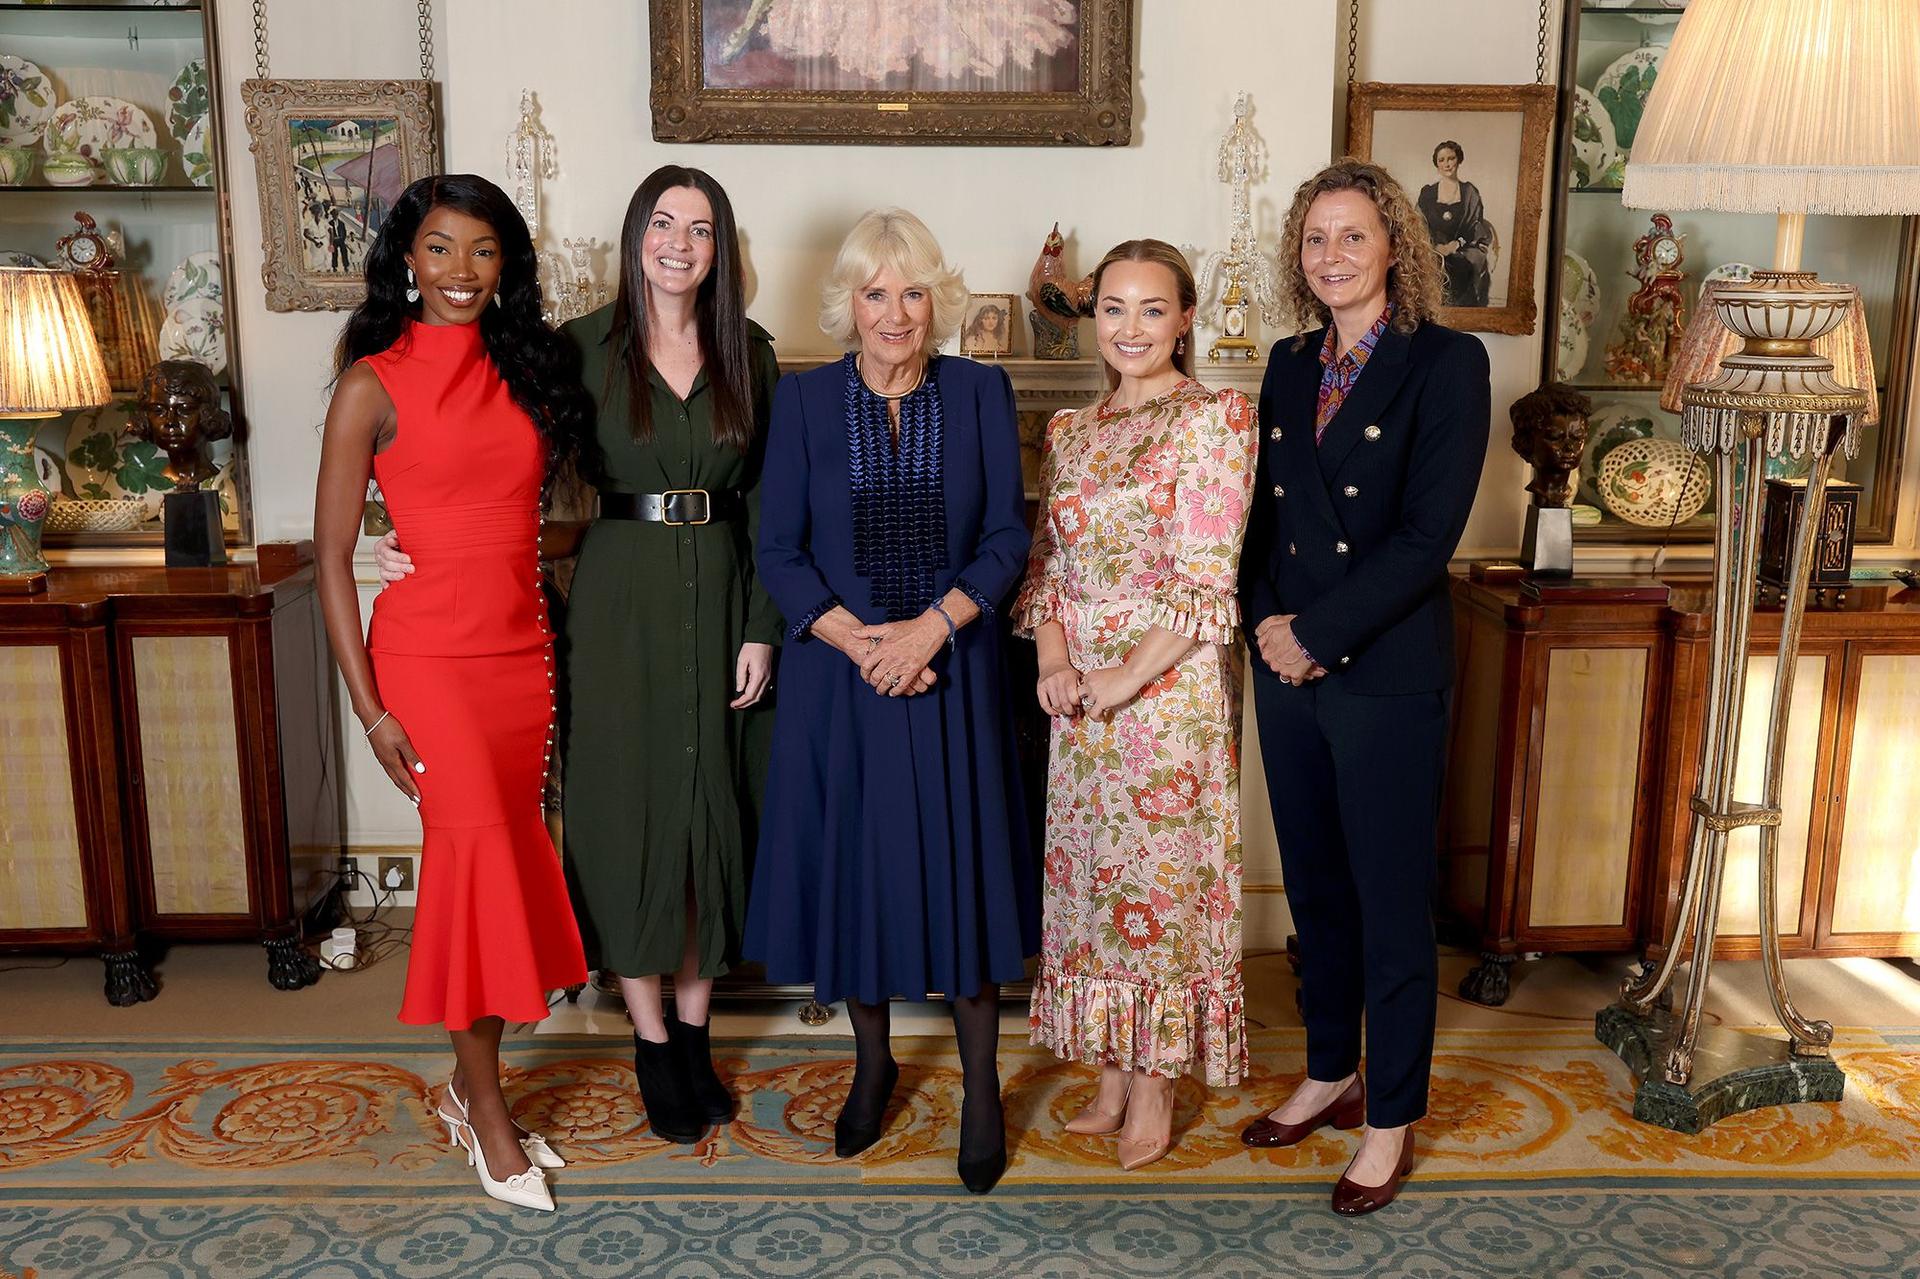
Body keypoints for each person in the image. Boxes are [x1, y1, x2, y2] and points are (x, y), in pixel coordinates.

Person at [372, 166, 779, 1145]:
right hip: (619, 600)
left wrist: (763, 622)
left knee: (712, 816)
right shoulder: (575, 350)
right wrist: (409, 531)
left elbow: (772, 498)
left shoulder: (751, 352)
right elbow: (490, 460)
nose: (681, 243)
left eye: (703, 228)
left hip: (726, 593)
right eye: (664, 223)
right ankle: (651, 1045)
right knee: (624, 812)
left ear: (723, 249)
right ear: (636, 232)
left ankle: (694, 1033)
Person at [315, 174, 595, 1212]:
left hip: (520, 658)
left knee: (505, 866)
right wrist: (368, 706)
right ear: (406, 258)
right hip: (425, 667)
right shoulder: (370, 383)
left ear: (507, 266)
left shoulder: (532, 370)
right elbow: (335, 558)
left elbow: (518, 517)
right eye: (439, 249)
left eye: (483, 251)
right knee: (474, 876)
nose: (461, 272)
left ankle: (466, 1089)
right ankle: (486, 1112)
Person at [745, 208, 1037, 1195]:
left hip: (952, 672)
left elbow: (1006, 538)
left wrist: (929, 631)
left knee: (963, 868)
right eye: (876, 293)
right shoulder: (805, 402)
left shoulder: (982, 391)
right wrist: (862, 639)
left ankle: (984, 1085)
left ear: (936, 300)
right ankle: (872, 1065)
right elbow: (778, 548)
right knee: (857, 871)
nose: (896, 313)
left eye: (913, 291)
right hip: (844, 677)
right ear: (850, 305)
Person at [1237, 159, 1490, 1216]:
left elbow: (1429, 538)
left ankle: (1389, 1118)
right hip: (1288, 670)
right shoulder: (1291, 363)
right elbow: (1258, 516)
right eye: (1315, 239)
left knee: (1389, 906)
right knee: (1317, 891)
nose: (1331, 256)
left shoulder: (1449, 362)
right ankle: (1330, 1069)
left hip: (1382, 671)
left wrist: (1319, 636)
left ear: (1395, 244)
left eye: (1351, 236)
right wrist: (1264, 626)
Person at [1013, 239, 1255, 1171]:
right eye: (1113, 308)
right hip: (1079, 696)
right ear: (1092, 318)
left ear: (1185, 319)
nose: (1131, 328)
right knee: (1092, 887)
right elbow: (1047, 566)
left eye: (1152, 309)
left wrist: (1122, 679)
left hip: (1168, 693)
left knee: (1156, 888)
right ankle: (1111, 1069)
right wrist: (1055, 661)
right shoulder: (1070, 429)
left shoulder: (1217, 418)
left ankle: (1155, 1083)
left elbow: (1207, 579)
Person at [1417, 141, 1493, 308]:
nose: (1447, 164)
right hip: (1433, 248)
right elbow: (1419, 225)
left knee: (1467, 262)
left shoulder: (1469, 192)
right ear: (1436, 164)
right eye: (1442, 160)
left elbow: (1475, 226)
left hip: (1464, 246)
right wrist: (1434, 247)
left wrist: (1456, 244)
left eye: (1451, 158)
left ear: (1459, 160)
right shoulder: (1427, 193)